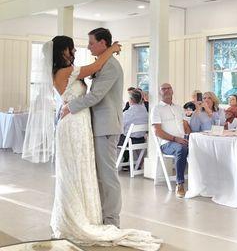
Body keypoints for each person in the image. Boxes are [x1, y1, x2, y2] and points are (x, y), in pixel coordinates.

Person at [23, 33, 161, 250]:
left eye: (90, 43)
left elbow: (94, 85)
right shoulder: (66, 71)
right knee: (77, 172)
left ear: (101, 43)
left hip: (87, 124)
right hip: (74, 125)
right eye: (72, 48)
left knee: (89, 172)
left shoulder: (100, 67)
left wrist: (110, 51)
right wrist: (113, 48)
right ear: (62, 51)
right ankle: (82, 217)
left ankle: (106, 220)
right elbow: (94, 69)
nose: (81, 48)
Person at [151, 83, 190, 198]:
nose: (167, 90)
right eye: (163, 89)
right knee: (181, 149)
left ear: (172, 91)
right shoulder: (156, 109)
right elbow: (157, 131)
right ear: (160, 93)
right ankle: (180, 183)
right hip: (167, 143)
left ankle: (203, 182)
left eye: (169, 88)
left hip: (183, 140)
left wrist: (190, 136)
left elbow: (185, 126)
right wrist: (175, 139)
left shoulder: (178, 108)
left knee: (204, 146)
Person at [118, 90, 148, 165]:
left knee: (111, 138)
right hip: (141, 140)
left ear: (131, 100)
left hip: (129, 141)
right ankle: (139, 162)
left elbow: (120, 127)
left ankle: (115, 163)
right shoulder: (145, 112)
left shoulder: (127, 113)